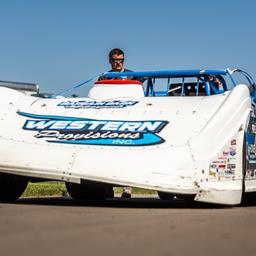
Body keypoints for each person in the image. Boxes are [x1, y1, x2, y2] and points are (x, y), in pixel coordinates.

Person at [103, 48, 133, 198]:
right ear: (110, 61)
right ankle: (107, 188)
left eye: (120, 60)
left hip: (128, 118)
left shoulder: (132, 75)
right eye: (114, 60)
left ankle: (127, 189)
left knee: (127, 154)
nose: (117, 63)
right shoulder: (105, 77)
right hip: (110, 118)